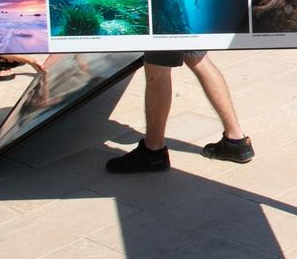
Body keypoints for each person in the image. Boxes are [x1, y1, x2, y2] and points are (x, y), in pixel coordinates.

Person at [106, 50, 254, 173]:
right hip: (184, 18)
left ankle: (153, 151)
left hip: (163, 20)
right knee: (198, 59)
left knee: (157, 70)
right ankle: (236, 141)